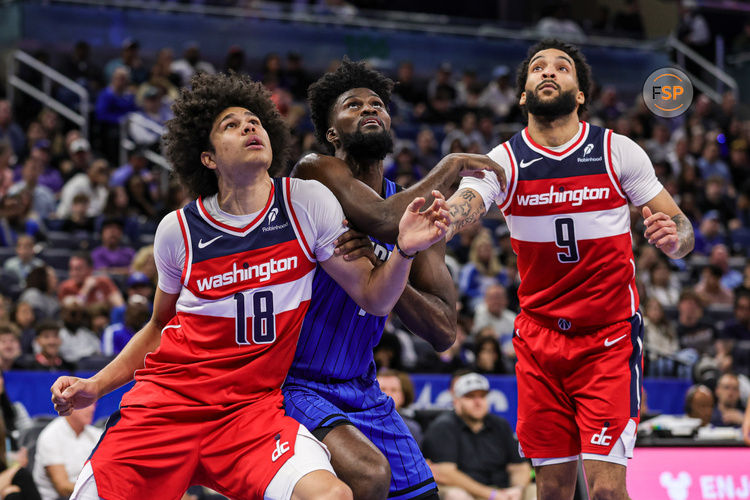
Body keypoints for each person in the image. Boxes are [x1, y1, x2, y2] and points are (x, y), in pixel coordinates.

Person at [50, 72, 449, 500]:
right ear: (207, 158)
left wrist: (404, 252)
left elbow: (374, 296)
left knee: (334, 495)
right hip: (170, 406)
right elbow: (157, 327)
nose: (249, 126)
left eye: (255, 120)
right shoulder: (177, 231)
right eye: (231, 125)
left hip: (250, 412)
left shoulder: (304, 203)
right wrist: (96, 384)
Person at [441, 39, 695, 499]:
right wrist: (439, 221)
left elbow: (681, 228)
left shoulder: (618, 151)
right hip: (539, 342)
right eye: (538, 67)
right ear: (523, 95)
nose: (549, 72)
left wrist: (675, 239)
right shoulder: (504, 160)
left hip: (607, 340)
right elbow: (464, 206)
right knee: (553, 489)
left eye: (562, 68)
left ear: (579, 94)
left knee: (604, 490)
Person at [284, 59, 503, 500]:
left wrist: (393, 269)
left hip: (361, 386)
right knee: (368, 476)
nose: (369, 109)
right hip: (294, 381)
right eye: (352, 105)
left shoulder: (419, 213)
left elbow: (443, 331)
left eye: (378, 104)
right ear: (331, 133)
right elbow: (384, 220)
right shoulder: (314, 172)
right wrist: (453, 163)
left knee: (423, 495)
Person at [422, 372, 531, 500]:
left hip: (502, 490)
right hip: (467, 491)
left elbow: (519, 466)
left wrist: (517, 489)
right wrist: (491, 494)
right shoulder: (443, 426)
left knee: (536, 492)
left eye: (482, 396)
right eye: (470, 396)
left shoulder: (500, 424)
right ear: (456, 401)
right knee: (457, 496)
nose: (478, 402)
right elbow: (445, 473)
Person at [32, 406, 101, 500]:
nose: (92, 409)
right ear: (71, 405)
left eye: (94, 403)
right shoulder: (51, 436)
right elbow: (63, 487)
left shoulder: (96, 435)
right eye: (87, 404)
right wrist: (101, 489)